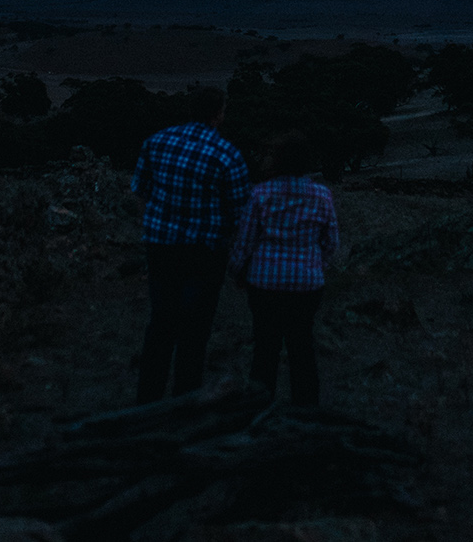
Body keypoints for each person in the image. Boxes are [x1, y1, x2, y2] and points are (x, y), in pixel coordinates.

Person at [131, 86, 250, 403]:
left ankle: (147, 401)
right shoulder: (227, 155)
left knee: (160, 323)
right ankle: (185, 402)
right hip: (204, 252)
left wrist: (154, 225)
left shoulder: (156, 142)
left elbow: (140, 191)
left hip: (160, 245)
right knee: (195, 331)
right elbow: (240, 214)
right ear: (219, 113)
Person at [228, 131, 339, 407]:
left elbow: (245, 241)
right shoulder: (322, 195)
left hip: (265, 283)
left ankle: (257, 412)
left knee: (265, 349)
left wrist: (238, 271)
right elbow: (331, 243)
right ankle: (306, 413)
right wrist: (315, 266)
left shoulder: (261, 194)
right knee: (302, 347)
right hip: (306, 284)